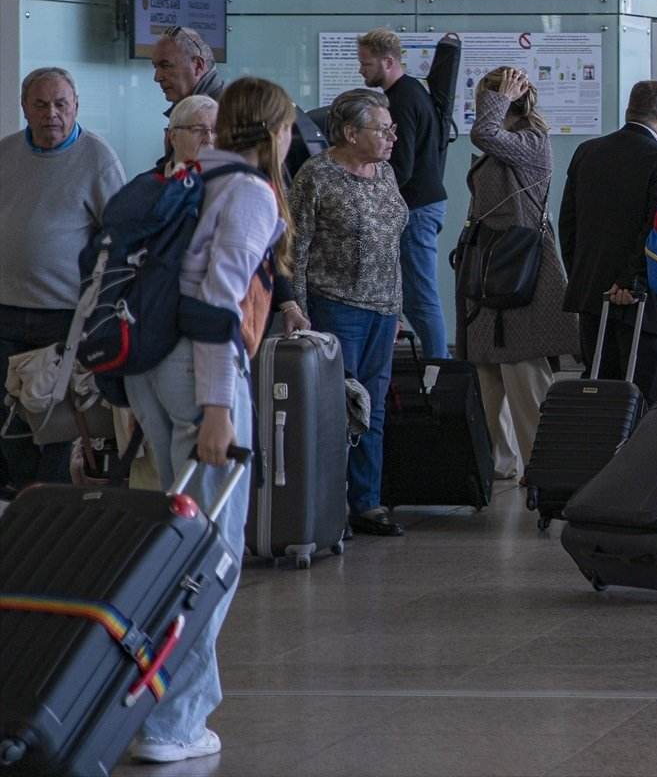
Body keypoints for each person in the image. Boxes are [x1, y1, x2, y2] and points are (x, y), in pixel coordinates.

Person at [116, 76, 292, 764]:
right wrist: (220, 409)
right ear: (272, 129)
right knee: (211, 554)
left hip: (150, 368)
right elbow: (220, 301)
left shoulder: (186, 179)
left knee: (178, 541)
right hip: (201, 375)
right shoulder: (249, 191)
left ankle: (157, 705)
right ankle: (174, 723)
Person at [289, 88, 411, 538]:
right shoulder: (316, 176)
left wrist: (398, 308)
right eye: (382, 129)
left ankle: (367, 502)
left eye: (391, 128)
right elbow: (295, 248)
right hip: (335, 306)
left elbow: (393, 245)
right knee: (337, 409)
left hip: (382, 308)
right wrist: (296, 308)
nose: (391, 137)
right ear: (349, 132)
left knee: (373, 409)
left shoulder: (385, 173)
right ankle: (325, 504)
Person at [0, 68, 127, 496]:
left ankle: (52, 503)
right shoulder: (6, 153)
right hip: (6, 309)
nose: (51, 114)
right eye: (40, 104)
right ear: (24, 108)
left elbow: (119, 236)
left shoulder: (98, 157)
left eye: (60, 104)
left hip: (66, 316)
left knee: (57, 419)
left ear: (75, 107)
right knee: (8, 416)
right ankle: (21, 495)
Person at [454, 67, 566, 485]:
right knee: (488, 371)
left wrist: (498, 96)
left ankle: (540, 464)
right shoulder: (505, 145)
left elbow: (483, 132)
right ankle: (500, 462)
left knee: (523, 373)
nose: (479, 109)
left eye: (484, 99)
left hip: (521, 270)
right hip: (489, 266)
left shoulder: (532, 142)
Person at [559, 81, 657, 404]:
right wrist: (630, 280)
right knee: (645, 408)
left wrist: (585, 277)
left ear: (630, 110)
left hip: (591, 299)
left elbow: (568, 225)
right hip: (644, 306)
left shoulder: (587, 152)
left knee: (600, 405)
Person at [357, 28, 458, 360]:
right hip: (423, 204)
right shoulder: (413, 91)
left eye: (367, 64)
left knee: (421, 297)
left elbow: (402, 164)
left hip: (417, 207)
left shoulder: (401, 100)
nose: (362, 70)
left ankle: (439, 370)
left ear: (388, 62)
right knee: (416, 296)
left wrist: (367, 192)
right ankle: (437, 367)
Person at [150, 25, 225, 131]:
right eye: (155, 67)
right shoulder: (190, 110)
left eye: (166, 65)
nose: (157, 78)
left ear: (198, 65)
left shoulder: (226, 115)